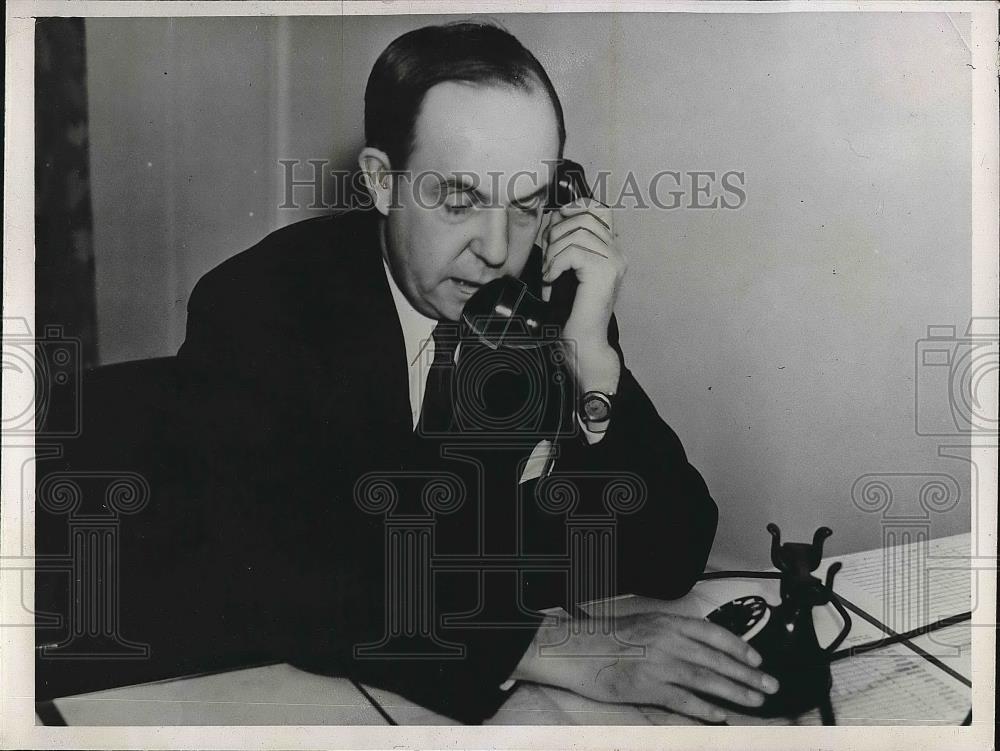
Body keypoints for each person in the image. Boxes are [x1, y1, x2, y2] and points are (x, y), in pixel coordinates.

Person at [174, 21, 778, 724]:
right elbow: (275, 577)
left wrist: (591, 363)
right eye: (460, 200)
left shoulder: (547, 301)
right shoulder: (257, 308)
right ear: (381, 180)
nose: (497, 251)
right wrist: (553, 646)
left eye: (526, 206)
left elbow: (674, 550)